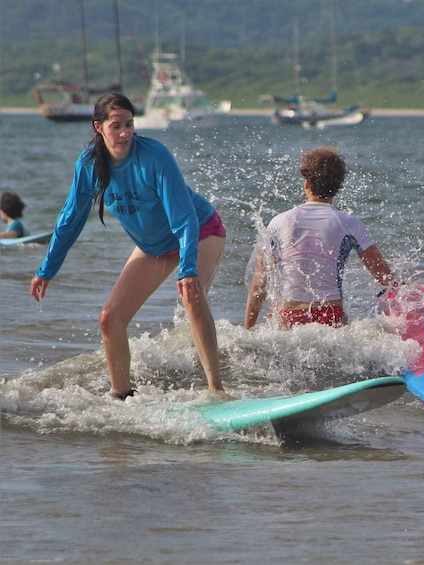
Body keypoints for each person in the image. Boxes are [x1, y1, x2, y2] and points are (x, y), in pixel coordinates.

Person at [30, 92, 229, 401]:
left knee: (193, 296)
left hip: (199, 231)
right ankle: (121, 395)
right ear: (98, 127)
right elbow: (70, 220)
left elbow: (184, 217)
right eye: (116, 125)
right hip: (153, 247)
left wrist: (188, 270)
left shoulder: (154, 156)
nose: (124, 133)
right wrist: (47, 270)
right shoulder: (89, 165)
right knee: (110, 318)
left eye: (129, 124)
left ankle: (217, 391)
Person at [244, 146, 396, 330]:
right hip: (330, 315)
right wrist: (409, 296)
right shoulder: (350, 224)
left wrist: (247, 329)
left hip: (288, 314)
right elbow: (384, 276)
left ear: (306, 183)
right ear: (338, 187)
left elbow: (260, 281)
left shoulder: (279, 221)